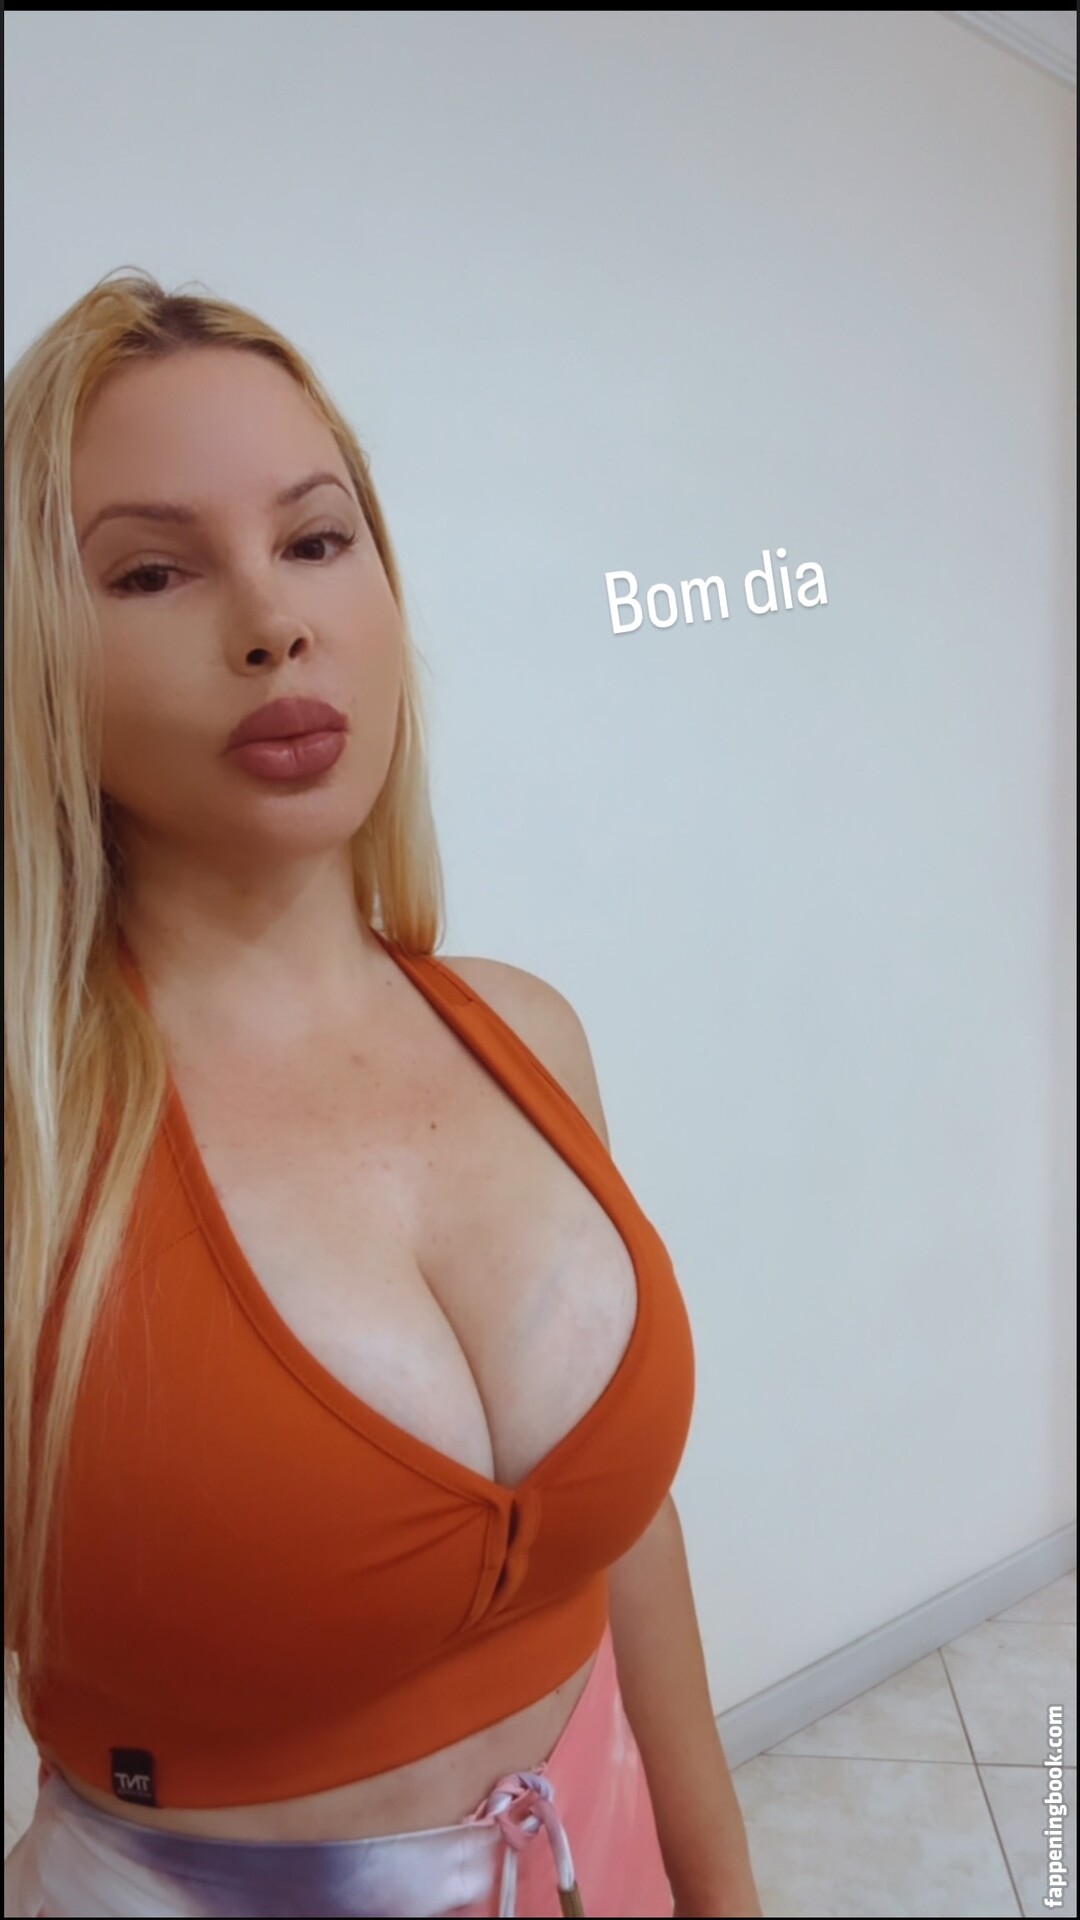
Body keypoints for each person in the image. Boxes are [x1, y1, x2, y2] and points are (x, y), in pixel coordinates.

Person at [3, 270, 764, 1919]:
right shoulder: (30, 1147)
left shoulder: (526, 1037)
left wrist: (722, 1888)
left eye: (316, 538)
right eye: (152, 570)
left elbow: (630, 1542)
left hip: (604, 1867)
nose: (270, 623)